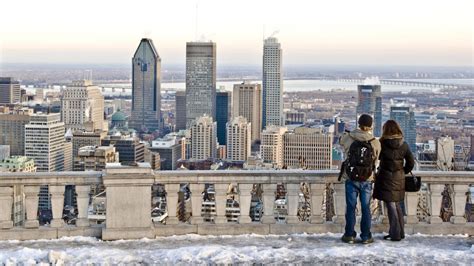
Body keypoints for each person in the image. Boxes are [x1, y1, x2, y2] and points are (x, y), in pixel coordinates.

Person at [339, 114, 381, 244]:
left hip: (350, 177)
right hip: (367, 178)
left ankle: (349, 235)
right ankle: (366, 236)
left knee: (351, 207)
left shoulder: (348, 137)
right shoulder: (374, 141)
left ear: (358, 123)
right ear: (371, 126)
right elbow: (376, 158)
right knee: (366, 208)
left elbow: (341, 143)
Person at [373, 120, 415, 241]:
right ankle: (400, 232)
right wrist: (402, 172)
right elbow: (411, 162)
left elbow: (377, 157)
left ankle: (395, 234)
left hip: (385, 178)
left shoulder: (382, 143)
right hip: (399, 178)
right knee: (396, 205)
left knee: (391, 206)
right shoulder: (404, 144)